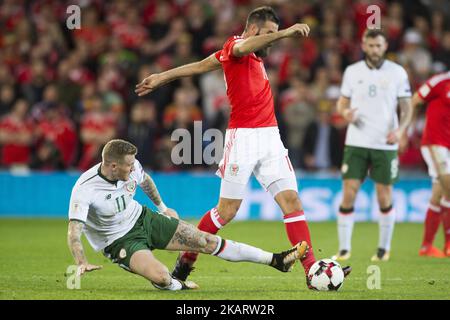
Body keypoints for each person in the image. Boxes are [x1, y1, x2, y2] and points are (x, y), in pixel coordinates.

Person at [135, 6, 351, 288]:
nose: (272, 41)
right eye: (268, 35)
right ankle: (186, 261)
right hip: (243, 139)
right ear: (252, 30)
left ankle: (311, 271)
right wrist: (286, 33)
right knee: (226, 211)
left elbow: (200, 65)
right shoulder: (235, 46)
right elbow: (238, 48)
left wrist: (162, 76)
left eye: (275, 34)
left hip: (271, 138)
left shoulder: (249, 56)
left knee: (292, 202)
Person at [67, 139, 308, 290]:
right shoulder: (85, 188)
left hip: (143, 219)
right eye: (128, 166)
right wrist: (81, 262)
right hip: (118, 241)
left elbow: (146, 181)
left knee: (206, 240)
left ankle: (276, 261)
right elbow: (74, 232)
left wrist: (163, 208)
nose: (133, 169)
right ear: (112, 166)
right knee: (161, 277)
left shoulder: (131, 168)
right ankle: (176, 285)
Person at [333, 29, 413, 262]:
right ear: (364, 45)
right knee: (349, 193)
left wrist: (401, 130)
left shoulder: (397, 73)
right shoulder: (352, 71)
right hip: (356, 141)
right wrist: (345, 112)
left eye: (378, 46)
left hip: (385, 143)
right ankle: (344, 250)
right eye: (371, 45)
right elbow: (342, 103)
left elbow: (407, 107)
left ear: (385, 46)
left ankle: (383, 249)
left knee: (383, 196)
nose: (375, 50)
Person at [412, 71, 450, 258]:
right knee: (448, 189)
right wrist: (405, 131)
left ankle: (427, 246)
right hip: (435, 143)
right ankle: (448, 244)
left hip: (448, 145)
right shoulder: (440, 81)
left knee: (439, 193)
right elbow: (415, 100)